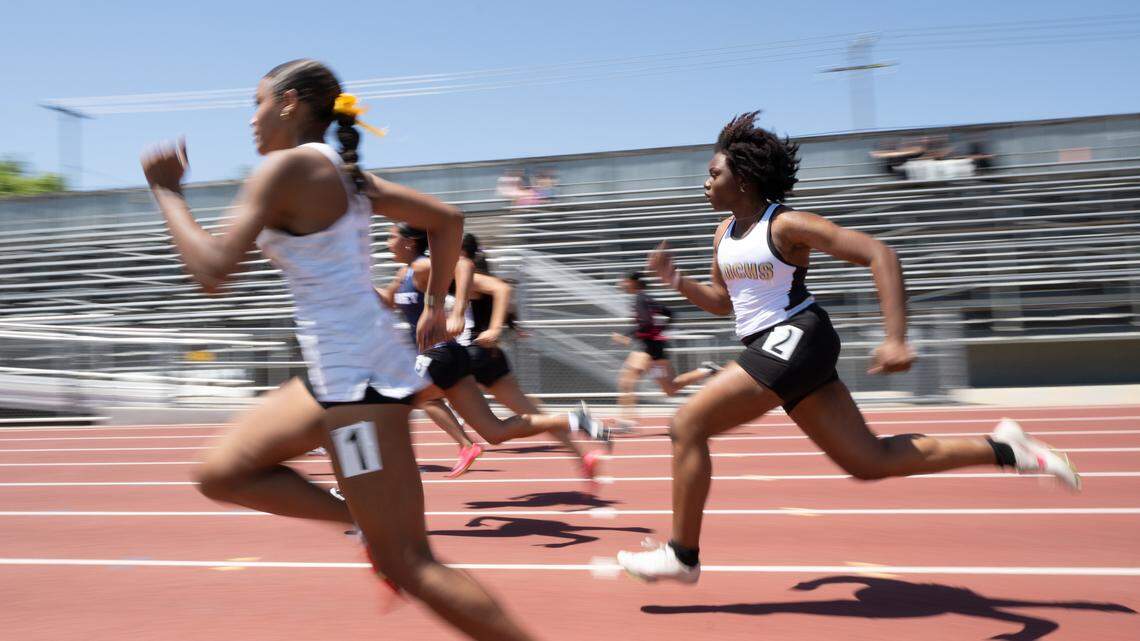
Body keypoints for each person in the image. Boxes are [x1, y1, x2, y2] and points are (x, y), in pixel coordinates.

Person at [142, 59, 538, 640]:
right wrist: (432, 303)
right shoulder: (341, 173)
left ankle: (380, 530)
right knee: (220, 472)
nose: (250, 120)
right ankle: (363, 518)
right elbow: (448, 221)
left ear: (289, 102)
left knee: (412, 564)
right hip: (342, 377)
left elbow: (211, 273)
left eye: (255, 103)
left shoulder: (283, 171)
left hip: (357, 388)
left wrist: (166, 192)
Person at [616, 111, 1080, 584]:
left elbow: (880, 253)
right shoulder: (722, 235)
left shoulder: (786, 226)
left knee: (687, 424)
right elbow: (721, 303)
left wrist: (896, 337)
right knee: (868, 461)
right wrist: (676, 279)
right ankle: (1006, 449)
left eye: (714, 174)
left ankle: (683, 555)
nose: (705, 183)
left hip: (797, 334)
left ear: (745, 178)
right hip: (775, 346)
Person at [379, 224, 610, 481]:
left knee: (400, 405)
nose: (387, 242)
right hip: (472, 356)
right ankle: (576, 430)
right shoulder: (409, 275)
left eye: (391, 236)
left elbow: (489, 282)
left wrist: (487, 325)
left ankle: (368, 484)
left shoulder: (433, 270)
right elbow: (387, 301)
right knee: (497, 431)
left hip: (465, 354)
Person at [611, 271, 719, 429]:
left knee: (626, 381)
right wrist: (661, 329)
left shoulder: (640, 299)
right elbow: (670, 313)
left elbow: (646, 323)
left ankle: (627, 421)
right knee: (670, 388)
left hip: (647, 348)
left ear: (633, 282)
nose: (622, 284)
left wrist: (627, 335)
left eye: (625, 281)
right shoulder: (647, 299)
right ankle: (705, 370)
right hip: (655, 349)